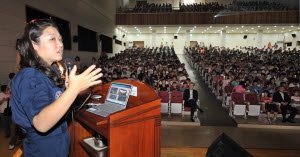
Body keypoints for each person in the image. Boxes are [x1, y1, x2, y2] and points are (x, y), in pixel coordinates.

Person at [11, 19, 102, 157]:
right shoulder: (30, 76)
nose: (60, 44)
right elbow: (41, 124)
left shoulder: (47, 73)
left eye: (61, 39)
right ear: (34, 44)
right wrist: (73, 90)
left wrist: (67, 92)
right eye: (52, 39)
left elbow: (55, 114)